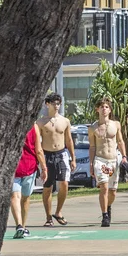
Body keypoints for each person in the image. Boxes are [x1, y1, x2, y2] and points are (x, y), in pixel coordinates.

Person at [37, 92, 75, 226]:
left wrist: (73, 158)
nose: (56, 106)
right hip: (47, 155)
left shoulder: (65, 121)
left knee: (64, 183)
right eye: (54, 103)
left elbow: (69, 140)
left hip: (62, 154)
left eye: (58, 103)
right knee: (48, 187)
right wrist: (40, 161)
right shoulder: (41, 122)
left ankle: (58, 212)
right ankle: (48, 217)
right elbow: (37, 142)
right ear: (47, 104)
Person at [89, 98, 127, 227]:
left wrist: (124, 156)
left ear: (110, 110)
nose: (104, 109)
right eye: (101, 107)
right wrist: (91, 163)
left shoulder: (116, 124)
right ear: (97, 109)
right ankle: (105, 215)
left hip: (113, 160)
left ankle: (108, 206)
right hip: (100, 160)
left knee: (112, 192)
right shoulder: (93, 128)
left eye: (106, 107)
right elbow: (92, 147)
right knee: (104, 187)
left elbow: (120, 141)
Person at [10, 120, 45, 239]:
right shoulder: (34, 127)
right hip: (28, 166)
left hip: (15, 166)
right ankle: (21, 226)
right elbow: (39, 150)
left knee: (15, 196)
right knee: (25, 197)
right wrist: (44, 168)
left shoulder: (10, 125)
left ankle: (20, 225)